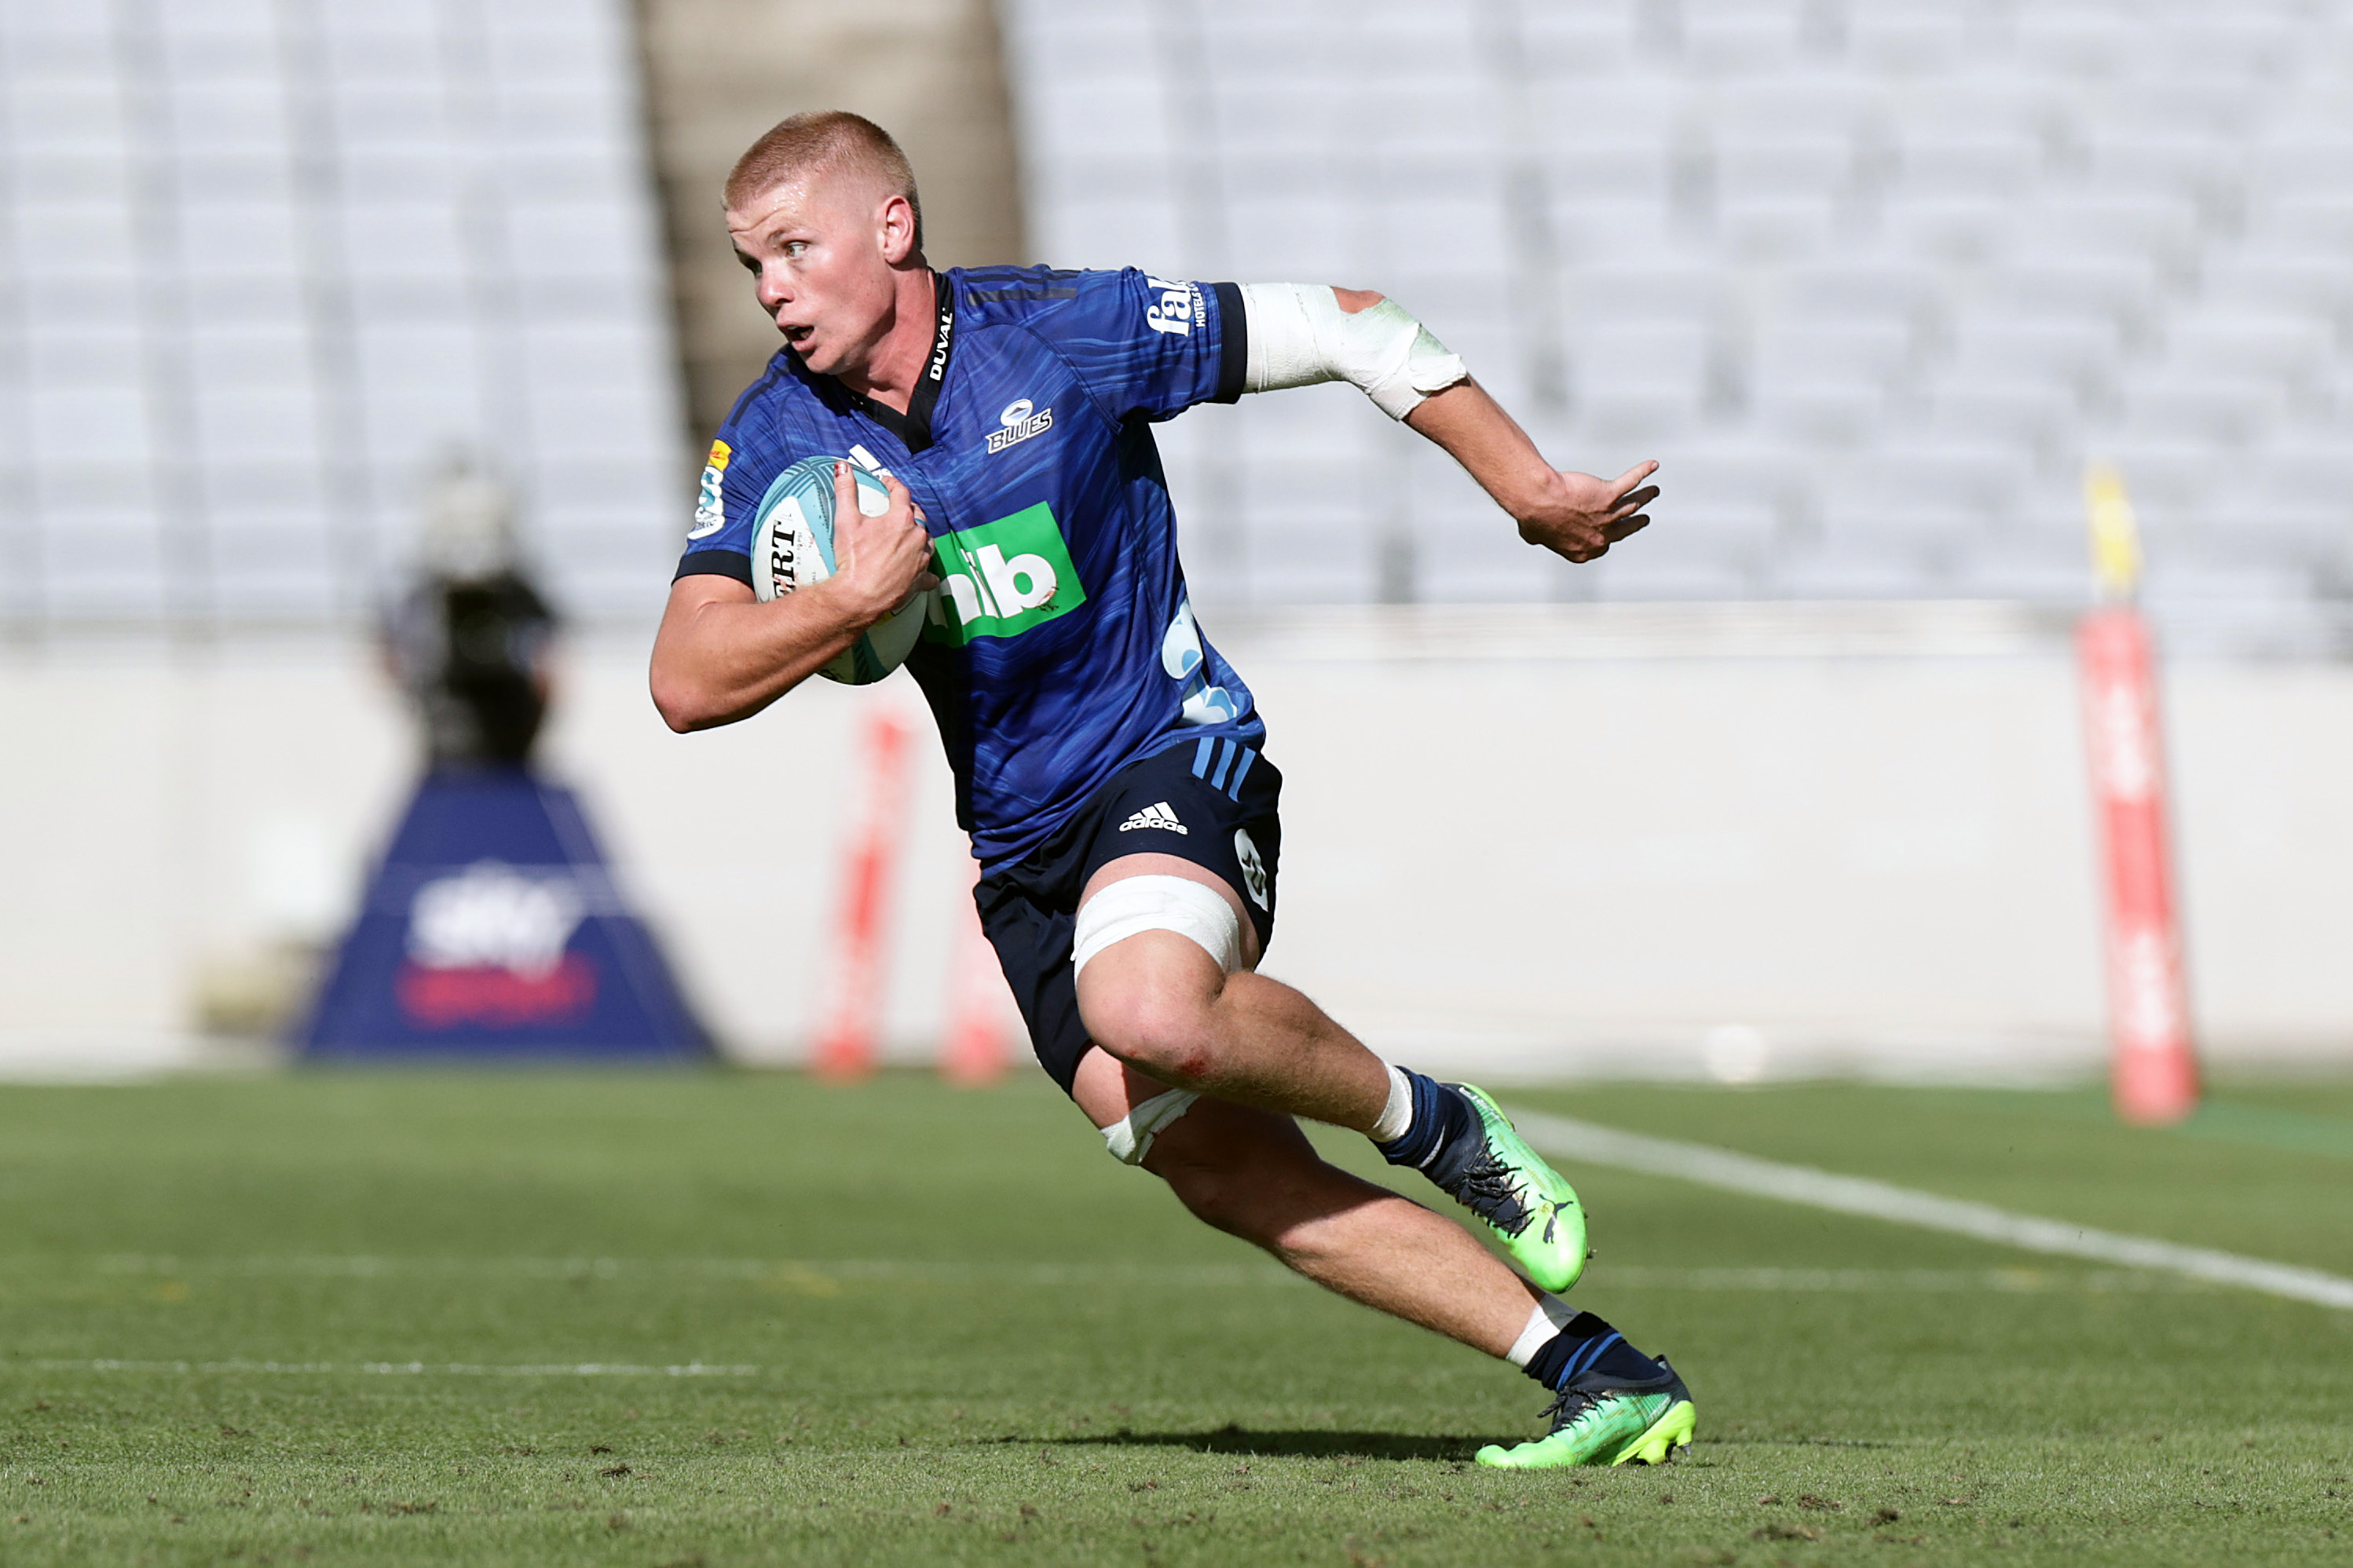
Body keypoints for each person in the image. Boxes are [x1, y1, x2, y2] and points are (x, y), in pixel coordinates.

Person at [649, 111, 1691, 1468]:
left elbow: (1354, 325)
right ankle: (1597, 1372)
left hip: (1171, 747)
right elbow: (684, 676)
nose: (773, 289)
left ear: (893, 229)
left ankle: (1434, 1120)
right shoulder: (778, 437)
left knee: (1142, 1006)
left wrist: (1531, 486)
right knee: (1220, 1167)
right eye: (751, 265)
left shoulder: (1066, 332)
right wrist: (843, 602)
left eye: (796, 249)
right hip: (1022, 846)